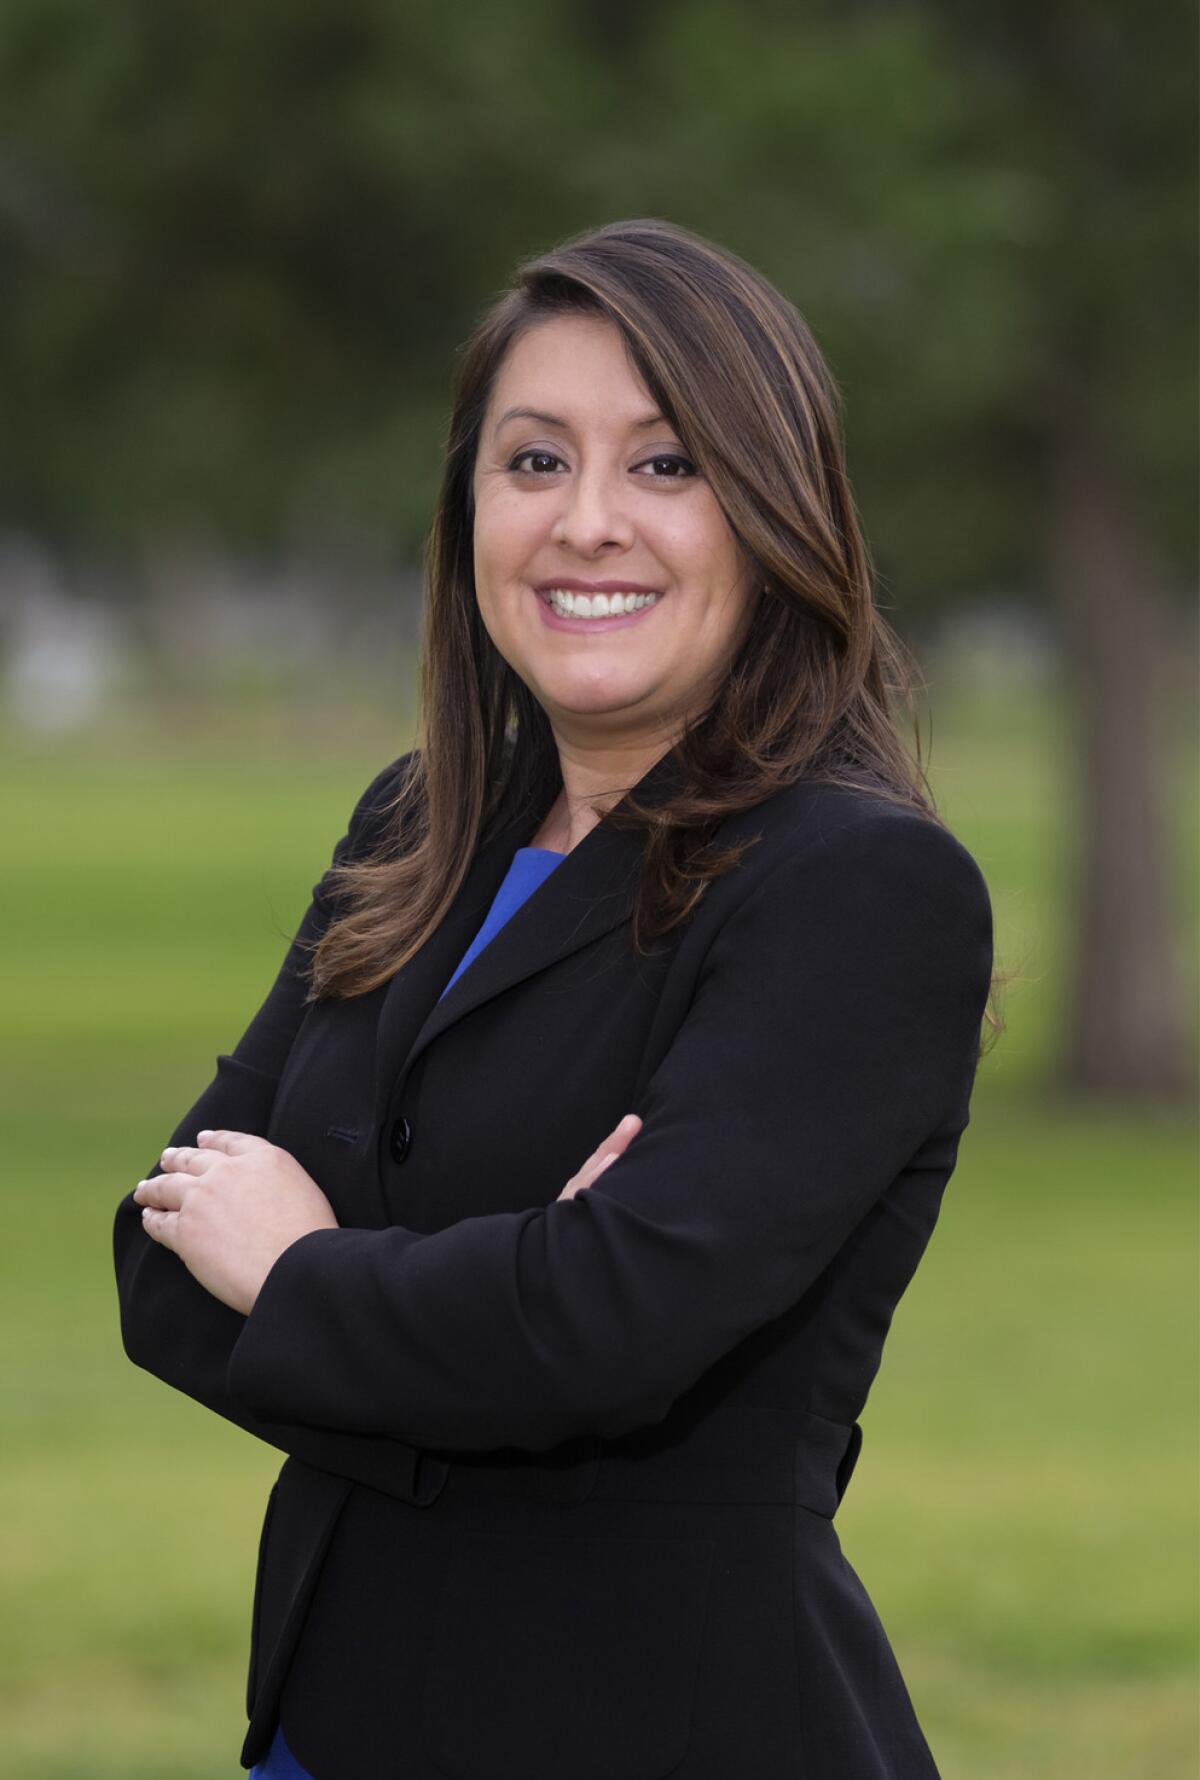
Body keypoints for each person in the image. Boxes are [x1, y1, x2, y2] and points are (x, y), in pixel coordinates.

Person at [114, 216, 998, 1779]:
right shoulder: (418, 828)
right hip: (330, 1725)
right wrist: (502, 1305)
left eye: (667, 466)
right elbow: (162, 1270)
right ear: (467, 514)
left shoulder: (860, 892)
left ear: (774, 512)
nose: (589, 523)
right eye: (535, 463)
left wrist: (311, 1272)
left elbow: (604, 1329)